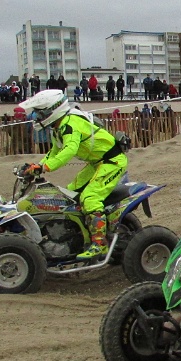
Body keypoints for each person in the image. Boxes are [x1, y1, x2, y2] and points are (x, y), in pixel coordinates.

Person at [18, 89, 130, 261]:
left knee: (90, 197)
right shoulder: (58, 127)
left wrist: (45, 167)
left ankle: (99, 244)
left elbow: (69, 150)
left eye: (40, 113)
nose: (36, 117)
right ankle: (79, 233)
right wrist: (37, 166)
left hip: (112, 162)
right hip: (97, 163)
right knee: (70, 194)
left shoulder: (70, 124)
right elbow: (54, 152)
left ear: (52, 110)